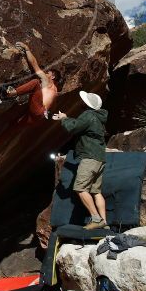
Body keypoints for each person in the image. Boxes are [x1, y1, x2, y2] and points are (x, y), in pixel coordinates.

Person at [0, 42, 62, 152]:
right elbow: (52, 106)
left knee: (35, 82)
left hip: (37, 109)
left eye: (48, 72)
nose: (46, 73)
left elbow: (35, 65)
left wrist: (27, 49)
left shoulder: (47, 81)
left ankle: (11, 93)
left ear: (52, 76)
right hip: (39, 117)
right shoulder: (55, 91)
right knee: (15, 126)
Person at [52, 91, 109, 230]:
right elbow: (81, 125)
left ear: (87, 104)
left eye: (83, 101)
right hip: (100, 158)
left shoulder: (88, 115)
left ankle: (96, 219)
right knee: (96, 191)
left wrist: (64, 118)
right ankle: (104, 222)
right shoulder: (98, 118)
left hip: (89, 157)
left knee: (80, 188)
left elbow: (73, 127)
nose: (81, 102)